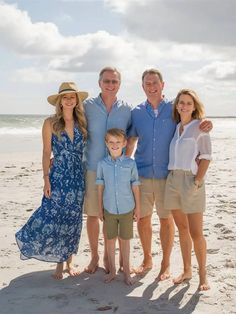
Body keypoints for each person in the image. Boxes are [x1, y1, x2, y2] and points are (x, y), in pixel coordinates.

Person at [127, 68, 213, 280]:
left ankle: (165, 264)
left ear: (163, 85)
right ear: (142, 86)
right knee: (143, 219)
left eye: (155, 82)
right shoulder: (136, 112)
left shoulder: (173, 109)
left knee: (167, 221)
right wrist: (122, 168)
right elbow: (130, 141)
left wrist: (206, 122)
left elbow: (192, 120)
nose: (151, 86)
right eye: (147, 83)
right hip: (143, 173)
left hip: (169, 177)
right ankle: (147, 259)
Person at [15, 82, 88, 279]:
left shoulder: (82, 122)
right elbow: (47, 152)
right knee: (53, 216)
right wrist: (46, 178)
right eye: (65, 97)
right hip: (58, 176)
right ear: (59, 101)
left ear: (77, 100)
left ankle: (68, 262)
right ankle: (58, 262)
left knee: (73, 220)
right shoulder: (50, 123)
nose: (69, 100)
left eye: (72, 96)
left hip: (77, 178)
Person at [83, 67, 132, 274]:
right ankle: (95, 256)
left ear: (119, 84)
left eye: (114, 81)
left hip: (117, 171)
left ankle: (110, 256)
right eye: (107, 81)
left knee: (114, 213)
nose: (110, 85)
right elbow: (70, 126)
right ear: (99, 83)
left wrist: (125, 161)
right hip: (93, 168)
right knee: (94, 215)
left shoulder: (127, 109)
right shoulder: (86, 106)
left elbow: (132, 138)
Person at [164, 89, 211, 291]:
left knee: (196, 232)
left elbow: (206, 157)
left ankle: (203, 276)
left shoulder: (200, 128)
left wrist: (198, 181)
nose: (184, 106)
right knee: (182, 229)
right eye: (181, 102)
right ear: (177, 105)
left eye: (188, 103)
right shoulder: (176, 128)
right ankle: (187, 270)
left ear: (194, 106)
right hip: (172, 179)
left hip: (191, 180)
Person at [96, 128, 140, 285]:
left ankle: (127, 272)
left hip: (127, 208)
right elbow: (100, 186)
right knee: (110, 240)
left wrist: (138, 208)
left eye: (118, 142)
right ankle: (113, 271)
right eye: (111, 142)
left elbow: (135, 186)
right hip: (109, 208)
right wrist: (100, 207)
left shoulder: (130, 163)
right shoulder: (102, 164)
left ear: (124, 143)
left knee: (125, 241)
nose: (115, 145)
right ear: (106, 143)